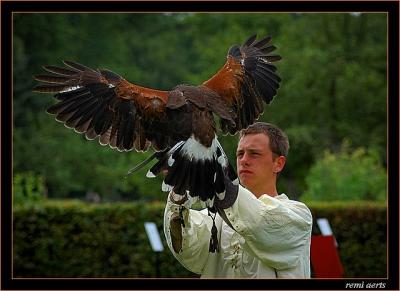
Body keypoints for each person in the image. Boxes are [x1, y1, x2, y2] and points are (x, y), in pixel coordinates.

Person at [163, 122, 313, 278]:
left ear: (278, 163)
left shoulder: (299, 216)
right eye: (240, 154)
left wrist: (213, 174)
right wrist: (180, 188)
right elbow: (187, 249)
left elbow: (260, 223)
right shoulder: (216, 218)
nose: (244, 160)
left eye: (254, 154)